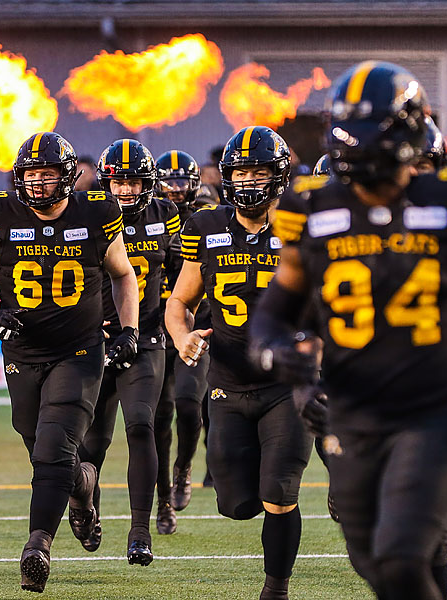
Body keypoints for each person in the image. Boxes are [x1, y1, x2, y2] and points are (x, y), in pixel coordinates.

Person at [252, 61, 447, 600]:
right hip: (352, 409)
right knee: (376, 563)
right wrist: (279, 352)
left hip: (432, 405)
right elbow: (275, 312)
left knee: (402, 554)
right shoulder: (309, 205)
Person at [0, 131, 138, 593]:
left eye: (47, 174)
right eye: (31, 175)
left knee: (52, 450)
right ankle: (82, 486)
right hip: (23, 353)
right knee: (38, 443)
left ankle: (38, 545)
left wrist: (128, 329)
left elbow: (123, 276)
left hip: (79, 351)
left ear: (68, 176)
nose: (38, 184)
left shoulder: (97, 212)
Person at [166, 126, 312, 600]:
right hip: (227, 383)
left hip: (287, 386)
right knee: (234, 504)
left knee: (279, 492)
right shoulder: (205, 225)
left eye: (258, 171)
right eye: (240, 172)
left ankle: (277, 589)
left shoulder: (304, 225)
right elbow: (180, 300)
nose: (248, 181)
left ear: (279, 175)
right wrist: (182, 334)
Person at [74, 139, 179, 565]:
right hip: (94, 339)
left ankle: (140, 532)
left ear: (149, 184)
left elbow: (181, 275)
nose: (127, 191)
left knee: (141, 425)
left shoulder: (165, 215)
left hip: (144, 336)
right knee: (92, 444)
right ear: (105, 183)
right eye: (119, 182)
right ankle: (87, 508)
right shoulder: (84, 212)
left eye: (135, 182)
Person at [152, 149, 213, 535]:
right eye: (169, 182)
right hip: (154, 327)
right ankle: (161, 503)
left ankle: (184, 466)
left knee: (190, 406)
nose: (175, 190)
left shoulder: (208, 216)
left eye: (181, 182)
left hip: (198, 324)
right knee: (158, 418)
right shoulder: (146, 215)